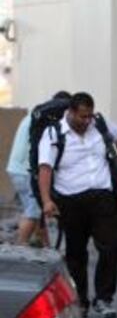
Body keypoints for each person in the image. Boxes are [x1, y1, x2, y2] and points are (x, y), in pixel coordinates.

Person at [38, 92, 117, 318]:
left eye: (89, 116)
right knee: (76, 253)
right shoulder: (54, 133)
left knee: (109, 247)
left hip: (102, 195)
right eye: (82, 116)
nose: (86, 121)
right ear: (70, 112)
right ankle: (80, 300)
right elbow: (45, 169)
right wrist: (47, 201)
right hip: (71, 199)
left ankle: (104, 298)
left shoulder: (100, 124)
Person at [5, 91, 71, 247]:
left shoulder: (36, 115)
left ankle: (47, 248)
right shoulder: (45, 120)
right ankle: (20, 249)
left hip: (17, 168)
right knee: (33, 212)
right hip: (25, 171)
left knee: (38, 210)